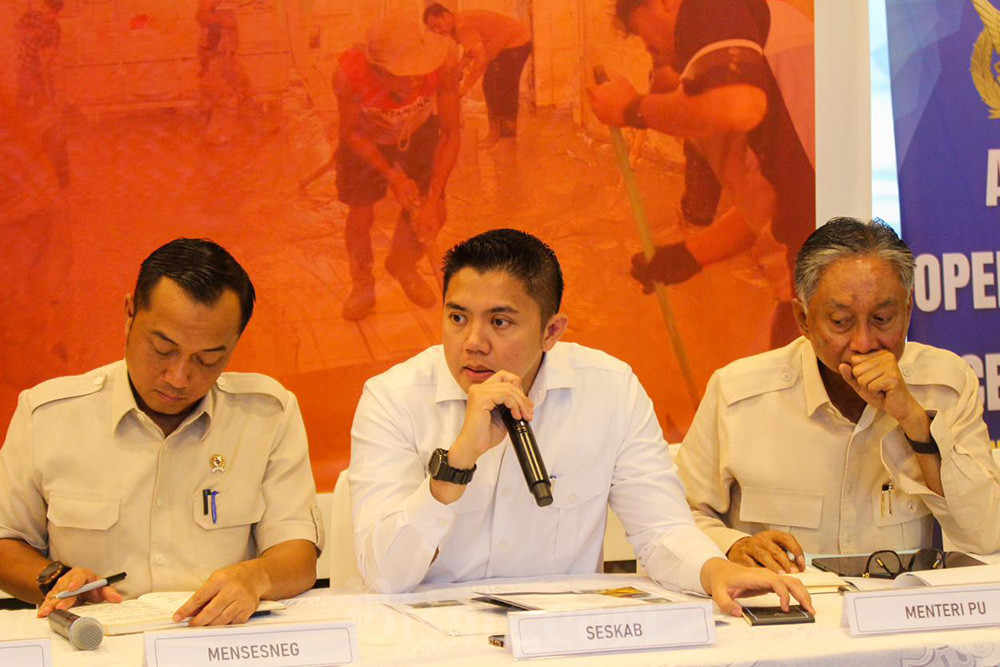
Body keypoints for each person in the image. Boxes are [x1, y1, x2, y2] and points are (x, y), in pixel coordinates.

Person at [348, 228, 812, 616]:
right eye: (457, 317)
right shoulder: (393, 398)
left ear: (551, 331)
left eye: (500, 322)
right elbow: (386, 575)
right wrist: (456, 463)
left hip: (561, 635)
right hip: (431, 637)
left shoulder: (609, 388)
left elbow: (660, 530)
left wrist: (715, 571)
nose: (473, 342)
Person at [0, 238, 324, 626]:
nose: (179, 377)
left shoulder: (266, 414)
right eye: (162, 348)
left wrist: (256, 577)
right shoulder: (48, 415)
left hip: (218, 639)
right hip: (93, 640)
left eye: (208, 358)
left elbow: (298, 553)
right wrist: (57, 580)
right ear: (130, 314)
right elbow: (5, 541)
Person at [676, 218, 1000, 573]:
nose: (864, 343)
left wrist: (915, 421)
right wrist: (732, 546)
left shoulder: (946, 384)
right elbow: (676, 518)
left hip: (895, 605)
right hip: (780, 603)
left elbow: (986, 536)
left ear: (908, 311)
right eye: (841, 322)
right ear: (803, 318)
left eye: (882, 318)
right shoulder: (739, 394)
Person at [588, 0, 815, 346]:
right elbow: (771, 207)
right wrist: (690, 255)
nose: (651, 50)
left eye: (645, 38)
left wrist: (633, 109)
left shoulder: (713, 5)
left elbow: (738, 107)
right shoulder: (766, 69)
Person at [333, 15, 461, 321]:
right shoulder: (348, 75)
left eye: (418, 73)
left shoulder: (442, 62)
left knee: (436, 212)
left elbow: (451, 132)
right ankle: (362, 283)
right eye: (402, 76)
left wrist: (433, 196)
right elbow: (351, 132)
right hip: (367, 136)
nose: (415, 83)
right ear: (378, 70)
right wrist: (391, 175)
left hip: (417, 130)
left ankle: (402, 263)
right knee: (361, 215)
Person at [423, 3, 532, 142]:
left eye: (438, 25)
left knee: (496, 84)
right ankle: (502, 132)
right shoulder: (457, 24)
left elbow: (481, 60)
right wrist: (457, 70)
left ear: (446, 16)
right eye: (433, 29)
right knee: (493, 84)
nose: (438, 31)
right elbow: (471, 52)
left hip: (517, 42)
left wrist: (463, 89)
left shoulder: (462, 26)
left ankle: (503, 133)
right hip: (509, 41)